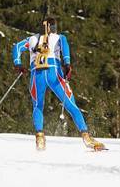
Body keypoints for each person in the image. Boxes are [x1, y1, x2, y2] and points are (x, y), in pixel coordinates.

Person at [12, 17, 105, 151]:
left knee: (37, 106)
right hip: (53, 72)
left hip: (36, 74)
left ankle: (40, 137)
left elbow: (17, 47)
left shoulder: (31, 39)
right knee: (71, 105)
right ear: (54, 27)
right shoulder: (59, 37)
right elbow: (65, 47)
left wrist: (18, 64)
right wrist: (67, 63)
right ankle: (86, 136)